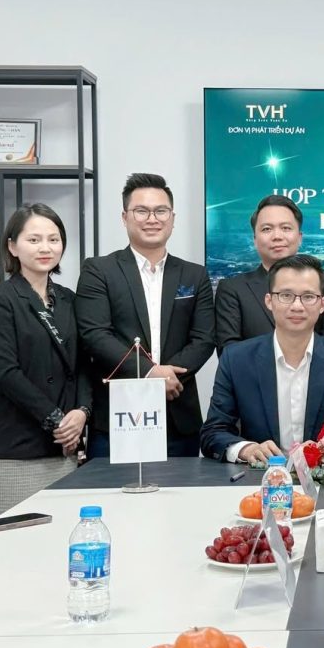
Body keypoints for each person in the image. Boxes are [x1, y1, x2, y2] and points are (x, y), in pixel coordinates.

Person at [76, 173, 215, 458]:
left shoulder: (194, 274)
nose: (152, 219)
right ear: (125, 217)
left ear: (172, 218)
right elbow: (95, 335)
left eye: (161, 211)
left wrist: (168, 378)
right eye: (142, 211)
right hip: (118, 418)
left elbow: (204, 339)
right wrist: (151, 373)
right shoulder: (99, 271)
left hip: (178, 415)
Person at [0, 204, 90, 518]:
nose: (45, 248)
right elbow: (7, 373)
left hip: (64, 447)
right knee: (12, 538)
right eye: (34, 239)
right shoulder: (0, 300)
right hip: (16, 446)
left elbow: (83, 364)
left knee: (61, 535)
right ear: (12, 247)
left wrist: (82, 412)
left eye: (54, 239)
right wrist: (57, 421)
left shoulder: (69, 299)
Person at [201, 254, 324, 464]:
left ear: (322, 304)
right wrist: (246, 449)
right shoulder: (237, 360)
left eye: (308, 296)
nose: (297, 306)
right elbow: (213, 432)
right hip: (258, 478)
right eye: (286, 295)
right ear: (269, 301)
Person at [214, 194, 324, 355]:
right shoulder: (233, 290)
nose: (277, 236)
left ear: (299, 237)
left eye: (286, 228)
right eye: (267, 229)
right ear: (255, 239)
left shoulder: (321, 291)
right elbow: (229, 353)